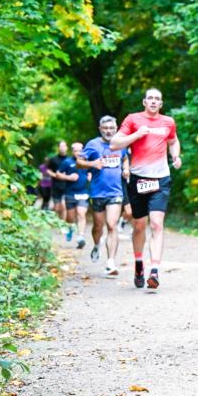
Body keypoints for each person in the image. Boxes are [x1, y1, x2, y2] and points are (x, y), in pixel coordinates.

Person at [109, 89, 181, 290]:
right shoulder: (133, 119)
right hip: (138, 179)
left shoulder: (168, 122)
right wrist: (136, 135)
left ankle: (155, 271)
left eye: (157, 99)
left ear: (161, 103)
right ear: (144, 102)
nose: (154, 101)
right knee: (139, 225)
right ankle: (139, 263)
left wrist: (175, 155)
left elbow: (173, 141)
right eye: (150, 98)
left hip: (161, 179)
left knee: (157, 224)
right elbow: (114, 144)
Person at [78, 116, 125, 277]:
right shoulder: (92, 144)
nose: (108, 131)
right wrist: (92, 164)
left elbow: (125, 158)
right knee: (98, 226)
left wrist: (126, 169)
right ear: (100, 129)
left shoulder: (121, 143)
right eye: (105, 128)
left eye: (111, 128)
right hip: (97, 192)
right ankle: (97, 244)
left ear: (116, 128)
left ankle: (111, 263)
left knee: (112, 225)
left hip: (115, 192)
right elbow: (79, 162)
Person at [59, 142, 90, 249]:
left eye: (80, 150)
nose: (78, 153)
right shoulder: (67, 162)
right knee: (70, 217)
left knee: (81, 214)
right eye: (76, 150)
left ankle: (81, 237)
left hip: (83, 192)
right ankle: (70, 228)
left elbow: (92, 171)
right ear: (72, 151)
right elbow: (58, 173)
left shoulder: (87, 162)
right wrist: (68, 177)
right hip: (70, 193)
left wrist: (90, 175)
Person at [46, 141, 69, 226]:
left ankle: (63, 224)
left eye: (64, 146)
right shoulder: (53, 159)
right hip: (56, 185)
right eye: (61, 146)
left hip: (67, 186)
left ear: (67, 147)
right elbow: (48, 170)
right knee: (57, 207)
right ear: (58, 148)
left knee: (64, 206)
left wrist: (67, 176)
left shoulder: (69, 160)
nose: (62, 148)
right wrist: (55, 175)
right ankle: (58, 222)